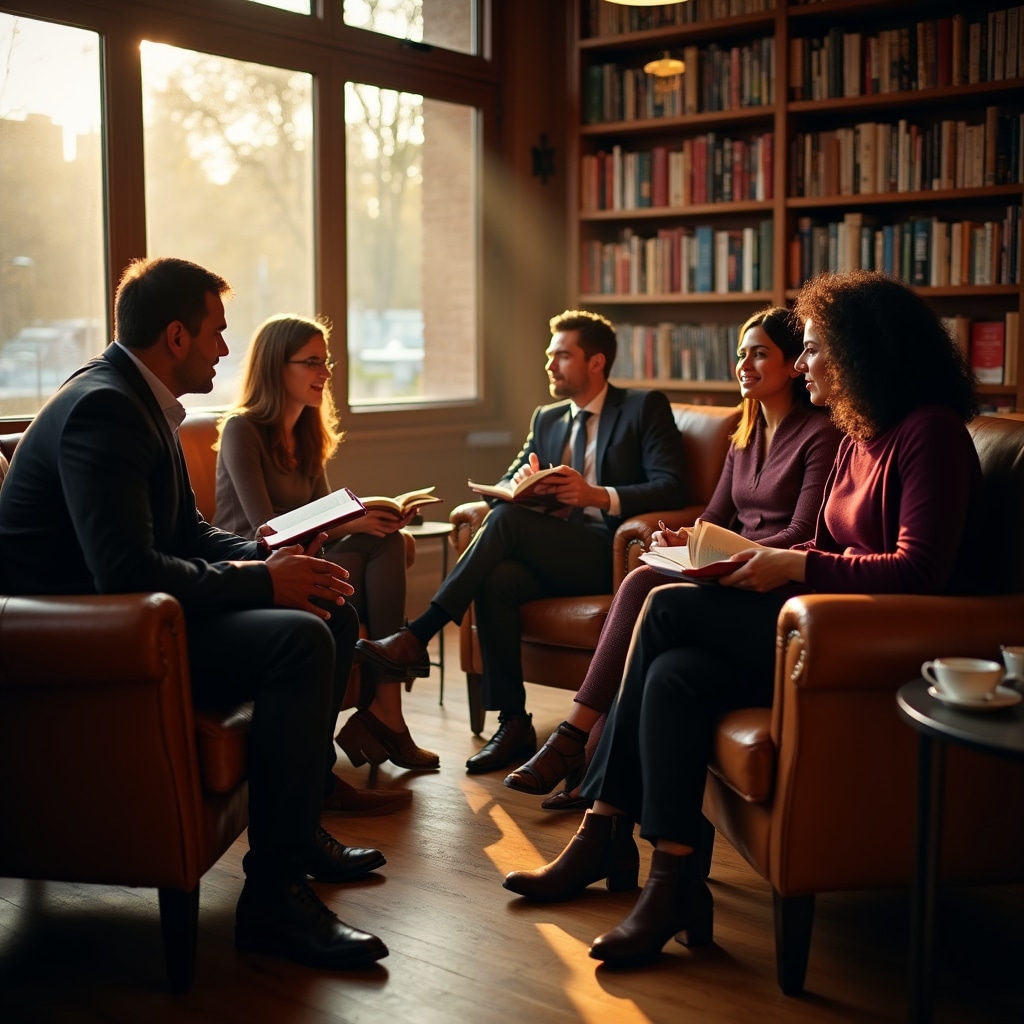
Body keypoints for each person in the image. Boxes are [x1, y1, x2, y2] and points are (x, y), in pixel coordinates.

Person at [502, 270, 983, 968]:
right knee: (672, 674)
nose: (806, 361)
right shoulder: (858, 432)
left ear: (861, 351)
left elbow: (919, 571)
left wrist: (790, 566)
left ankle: (600, 828)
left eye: (816, 349)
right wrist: (756, 560)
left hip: (856, 642)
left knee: (661, 607)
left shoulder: (927, 434)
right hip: (812, 621)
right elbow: (827, 543)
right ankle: (673, 880)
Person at [0, 257, 390, 971]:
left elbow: (186, 535)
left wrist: (271, 557)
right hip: (93, 647)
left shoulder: (139, 399)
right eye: (216, 333)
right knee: (301, 640)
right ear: (176, 336)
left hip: (138, 620)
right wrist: (260, 583)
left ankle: (296, 836)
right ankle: (274, 897)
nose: (223, 349)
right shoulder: (106, 409)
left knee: (324, 606)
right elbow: (124, 572)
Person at [503, 306, 842, 810]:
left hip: (770, 578)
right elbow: (716, 515)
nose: (744, 365)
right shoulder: (744, 436)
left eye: (759, 354)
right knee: (648, 575)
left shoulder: (820, 436)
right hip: (728, 568)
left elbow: (802, 532)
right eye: (740, 354)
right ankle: (589, 758)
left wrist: (721, 550)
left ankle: (574, 741)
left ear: (794, 363)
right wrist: (683, 538)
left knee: (642, 588)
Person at [355, 309, 688, 774]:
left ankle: (419, 634)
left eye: (562, 356)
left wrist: (596, 495)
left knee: (508, 525)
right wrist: (525, 485)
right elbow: (510, 478)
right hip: (551, 545)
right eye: (549, 356)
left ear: (596, 363)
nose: (550, 365)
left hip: (608, 552)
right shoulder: (548, 418)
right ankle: (514, 723)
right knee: (499, 578)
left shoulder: (642, 407)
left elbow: (672, 485)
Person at [215, 313, 437, 784]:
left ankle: (388, 712)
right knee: (372, 547)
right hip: (257, 567)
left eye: (327, 361)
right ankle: (386, 716)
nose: (327, 373)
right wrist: (355, 520)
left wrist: (371, 520)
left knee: (388, 541)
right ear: (277, 367)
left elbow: (324, 519)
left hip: (308, 561)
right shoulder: (242, 430)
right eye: (313, 362)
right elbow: (267, 530)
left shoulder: (308, 433)